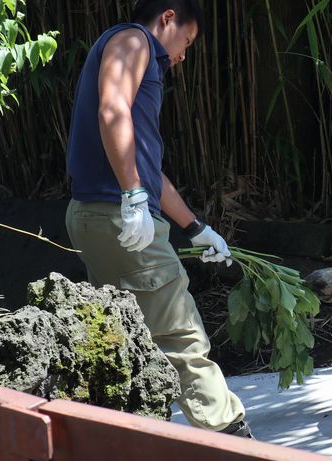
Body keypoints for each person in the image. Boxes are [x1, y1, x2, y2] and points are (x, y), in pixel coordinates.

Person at [64, 0, 252, 438]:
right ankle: (234, 444)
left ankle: (129, 440)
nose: (184, 56)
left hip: (102, 214)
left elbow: (148, 168)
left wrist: (195, 227)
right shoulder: (133, 40)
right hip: (117, 213)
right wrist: (131, 196)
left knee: (124, 337)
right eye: (186, 41)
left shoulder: (131, 52)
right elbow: (112, 111)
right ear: (168, 17)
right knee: (180, 336)